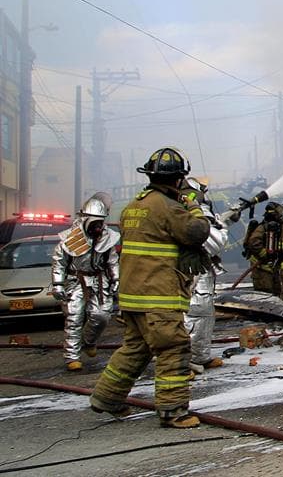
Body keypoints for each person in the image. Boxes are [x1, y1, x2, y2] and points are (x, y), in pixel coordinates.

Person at [90, 147, 210, 429]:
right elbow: (197, 232)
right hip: (159, 295)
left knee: (135, 348)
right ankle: (173, 411)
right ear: (178, 178)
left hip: (133, 296)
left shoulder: (134, 206)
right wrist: (194, 205)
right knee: (174, 348)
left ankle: (106, 398)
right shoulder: (168, 207)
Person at [51, 193, 120, 372]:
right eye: (95, 222)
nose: (98, 226)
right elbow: (59, 262)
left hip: (99, 280)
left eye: (100, 222)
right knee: (74, 318)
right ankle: (72, 357)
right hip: (76, 281)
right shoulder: (70, 239)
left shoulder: (107, 238)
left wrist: (116, 278)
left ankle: (88, 341)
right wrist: (58, 284)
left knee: (102, 315)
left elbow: (112, 261)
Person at [180, 177, 230, 374]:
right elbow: (215, 243)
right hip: (193, 272)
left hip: (199, 269)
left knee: (205, 315)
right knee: (192, 315)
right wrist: (223, 226)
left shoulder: (185, 210)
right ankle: (184, 363)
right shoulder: (196, 212)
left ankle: (200, 357)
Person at [243, 201, 283, 295]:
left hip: (270, 268)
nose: (281, 215)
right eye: (279, 212)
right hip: (261, 269)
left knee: (275, 292)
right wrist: (265, 254)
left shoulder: (274, 227)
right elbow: (253, 242)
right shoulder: (262, 227)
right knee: (265, 293)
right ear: (273, 214)